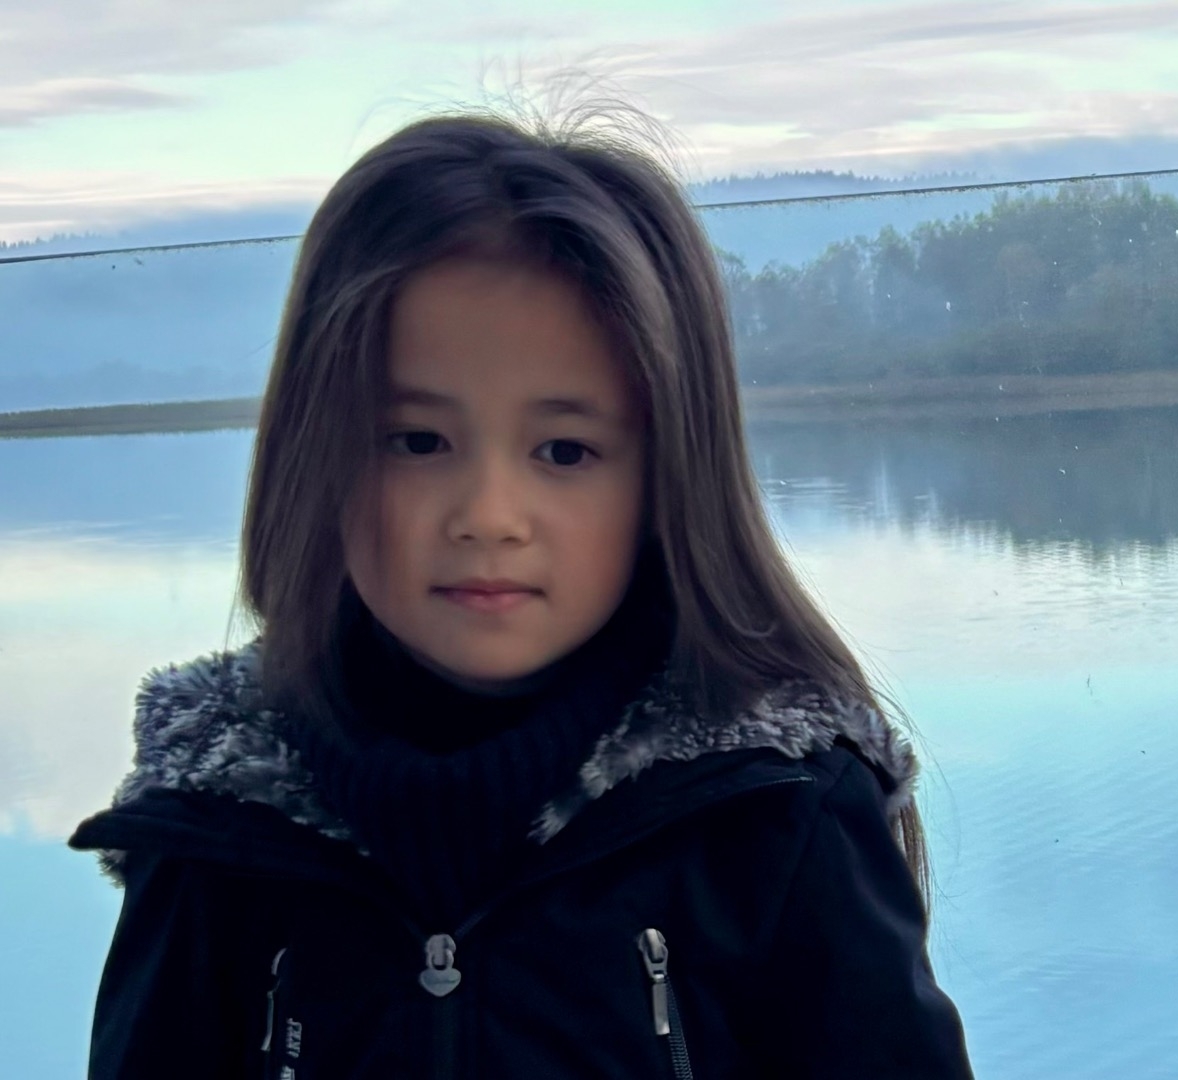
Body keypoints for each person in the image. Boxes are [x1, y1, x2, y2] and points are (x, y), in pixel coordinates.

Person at [69, 108, 974, 1078]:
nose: (489, 516)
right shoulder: (214, 833)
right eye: (418, 442)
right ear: (314, 456)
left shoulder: (777, 814)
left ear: (667, 478)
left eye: (564, 451)